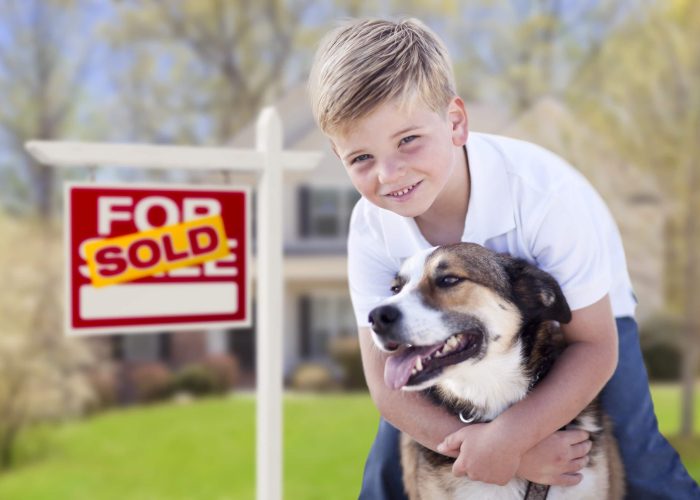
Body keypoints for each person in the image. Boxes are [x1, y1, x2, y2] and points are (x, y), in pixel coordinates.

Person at [307, 17, 699, 500]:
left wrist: (510, 436)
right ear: (337, 155)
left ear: (455, 122)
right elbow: (387, 387)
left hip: (587, 313)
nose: (388, 174)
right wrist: (504, 452)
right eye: (360, 158)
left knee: (639, 461)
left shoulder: (545, 196)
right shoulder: (371, 225)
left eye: (408, 140)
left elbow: (594, 347)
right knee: (388, 468)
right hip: (438, 333)